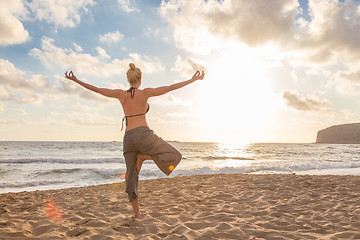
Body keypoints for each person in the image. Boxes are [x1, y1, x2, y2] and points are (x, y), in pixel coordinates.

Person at [64, 63, 205, 218]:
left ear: (128, 79)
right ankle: (143, 157)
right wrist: (192, 80)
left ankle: (137, 214)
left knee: (131, 177)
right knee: (174, 155)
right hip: (144, 135)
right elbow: (170, 87)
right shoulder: (145, 93)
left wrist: (76, 80)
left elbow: (97, 90)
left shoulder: (120, 94)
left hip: (128, 138)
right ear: (140, 79)